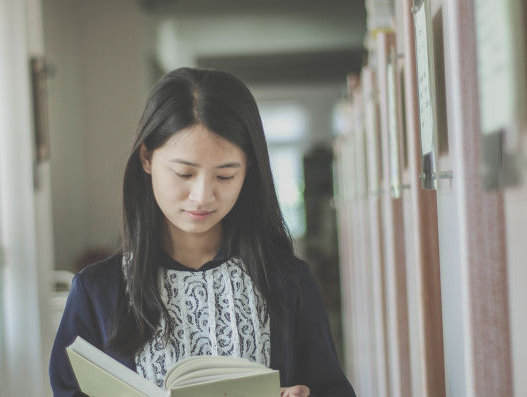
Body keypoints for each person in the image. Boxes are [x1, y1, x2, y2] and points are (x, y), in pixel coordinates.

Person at [49, 67, 355, 397]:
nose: (202, 196)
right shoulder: (98, 291)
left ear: (248, 169)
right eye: (184, 173)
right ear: (147, 158)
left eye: (225, 176)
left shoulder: (286, 282)